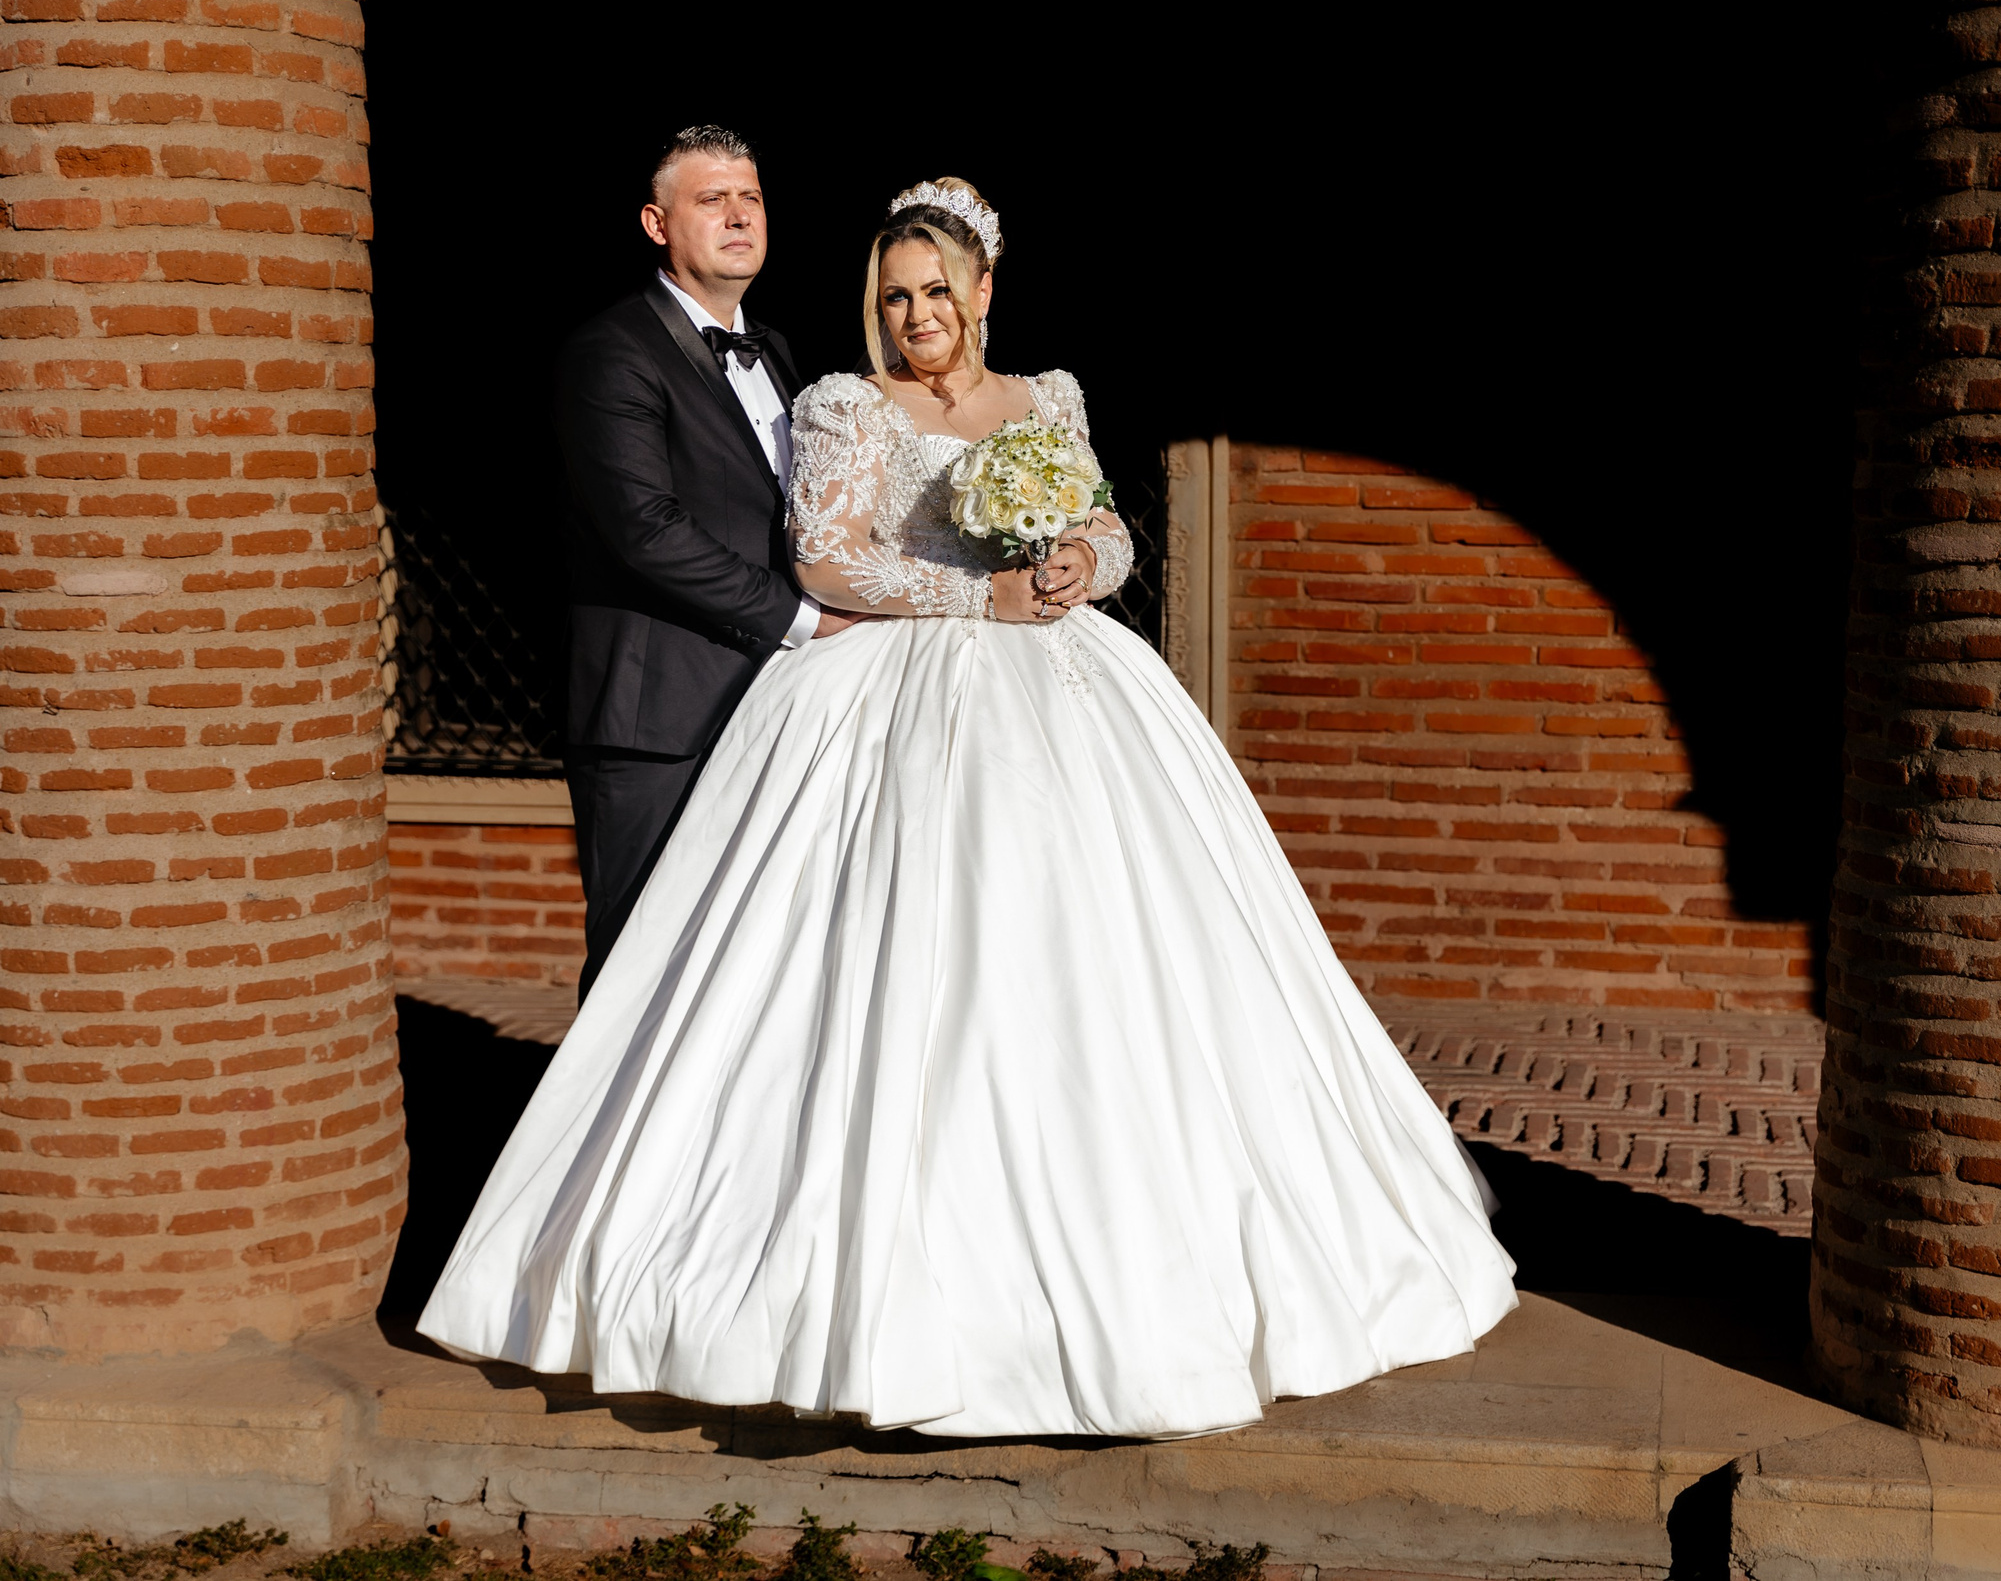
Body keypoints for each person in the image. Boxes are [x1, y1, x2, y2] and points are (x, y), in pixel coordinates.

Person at [419, 178, 1516, 1439]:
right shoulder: (844, 405)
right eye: (894, 296)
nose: (915, 315)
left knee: (1111, 952)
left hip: (1068, 683)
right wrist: (972, 597)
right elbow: (826, 559)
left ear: (983, 291)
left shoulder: (1048, 400)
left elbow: (1108, 527)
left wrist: (1077, 563)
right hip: (893, 689)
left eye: (936, 290)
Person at [555, 125, 857, 998]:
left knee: (742, 974)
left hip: (771, 703)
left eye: (750, 198)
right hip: (659, 720)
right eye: (712, 199)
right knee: (639, 968)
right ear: (657, 225)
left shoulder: (780, 351)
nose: (738, 216)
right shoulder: (611, 352)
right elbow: (646, 530)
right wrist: (809, 619)